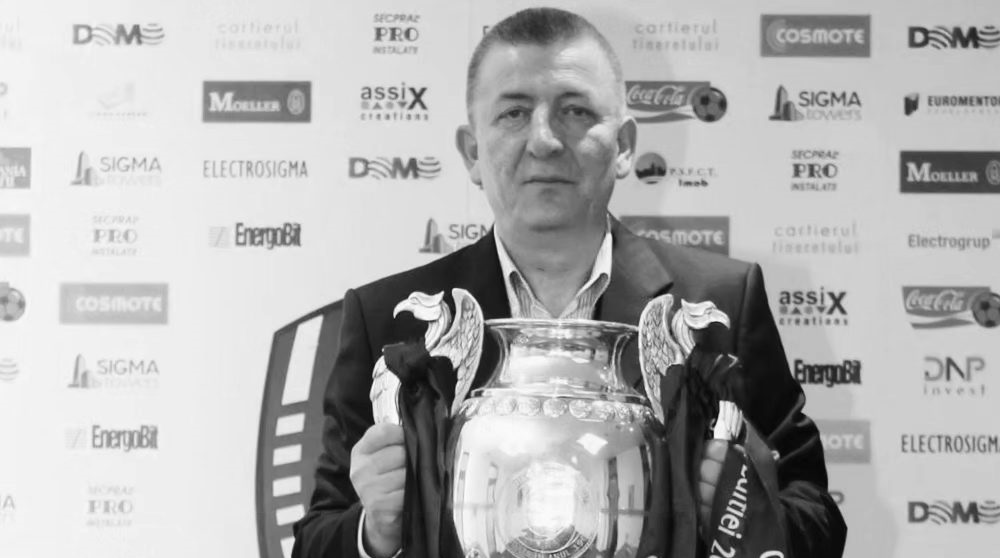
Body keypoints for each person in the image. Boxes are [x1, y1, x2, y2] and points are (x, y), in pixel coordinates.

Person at [293, 7, 846, 558]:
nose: (545, 140)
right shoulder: (393, 320)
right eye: (513, 113)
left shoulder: (719, 304)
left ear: (624, 146)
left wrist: (743, 511)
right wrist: (374, 533)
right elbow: (315, 541)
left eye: (576, 111)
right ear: (472, 152)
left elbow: (818, 521)